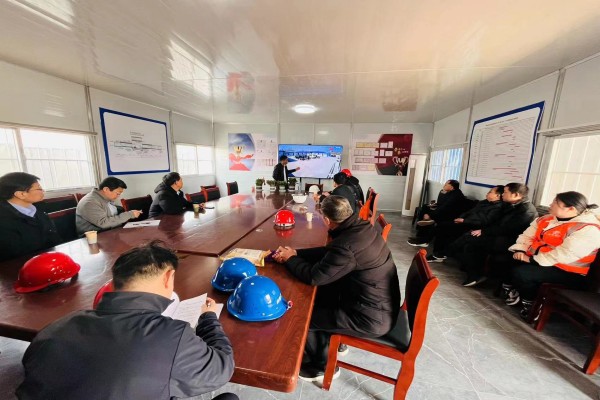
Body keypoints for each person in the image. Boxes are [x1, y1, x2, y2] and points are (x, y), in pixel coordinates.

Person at [17, 241, 237, 400]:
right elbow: (221, 369)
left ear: (114, 282)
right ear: (168, 277)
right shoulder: (171, 336)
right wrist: (208, 318)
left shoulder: (55, 328)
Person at [273, 196, 400, 381]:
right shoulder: (360, 228)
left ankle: (322, 366)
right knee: (321, 296)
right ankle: (337, 343)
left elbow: (314, 277)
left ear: (326, 219)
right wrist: (296, 253)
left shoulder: (346, 246)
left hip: (370, 318)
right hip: (376, 303)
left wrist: (290, 259)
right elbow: (330, 253)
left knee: (304, 317)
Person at [504, 192, 600, 318]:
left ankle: (532, 305)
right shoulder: (547, 219)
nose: (550, 204)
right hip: (542, 260)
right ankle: (517, 291)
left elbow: (565, 254)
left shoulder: (588, 229)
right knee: (508, 257)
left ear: (571, 209)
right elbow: (526, 236)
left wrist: (532, 260)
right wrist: (521, 250)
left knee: (523, 273)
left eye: (555, 203)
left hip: (568, 271)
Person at [451, 182, 538, 287]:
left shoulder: (526, 211)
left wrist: (484, 232)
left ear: (516, 195)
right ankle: (473, 274)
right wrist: (483, 230)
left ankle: (471, 272)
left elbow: (507, 229)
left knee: (471, 239)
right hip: (499, 235)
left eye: (505, 192)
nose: (502, 195)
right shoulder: (510, 204)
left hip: (511, 241)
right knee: (470, 240)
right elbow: (496, 221)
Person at [426, 185, 504, 262]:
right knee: (442, 226)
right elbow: (470, 211)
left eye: (490, 192)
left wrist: (464, 221)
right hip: (466, 222)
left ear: (497, 195)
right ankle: (437, 252)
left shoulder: (497, 207)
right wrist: (461, 218)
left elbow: (484, 221)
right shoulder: (484, 202)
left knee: (446, 227)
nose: (487, 193)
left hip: (474, 226)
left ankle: (440, 254)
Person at [0, 172, 61, 261]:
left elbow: (54, 239)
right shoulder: (4, 220)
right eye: (39, 189)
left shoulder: (38, 209)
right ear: (21, 194)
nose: (43, 191)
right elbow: (13, 255)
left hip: (48, 259)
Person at [407, 179, 466, 246]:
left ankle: (424, 240)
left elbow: (445, 207)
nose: (444, 185)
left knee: (433, 218)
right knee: (425, 208)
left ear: (452, 187)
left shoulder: (456, 196)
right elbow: (441, 204)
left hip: (453, 216)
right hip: (447, 212)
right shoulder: (451, 192)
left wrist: (431, 215)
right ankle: (420, 237)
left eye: (446, 184)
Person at [76, 177, 142, 235]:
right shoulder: (90, 202)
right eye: (118, 193)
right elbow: (104, 223)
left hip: (110, 232)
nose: (118, 196)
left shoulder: (104, 198)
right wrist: (129, 214)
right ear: (106, 189)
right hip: (95, 237)